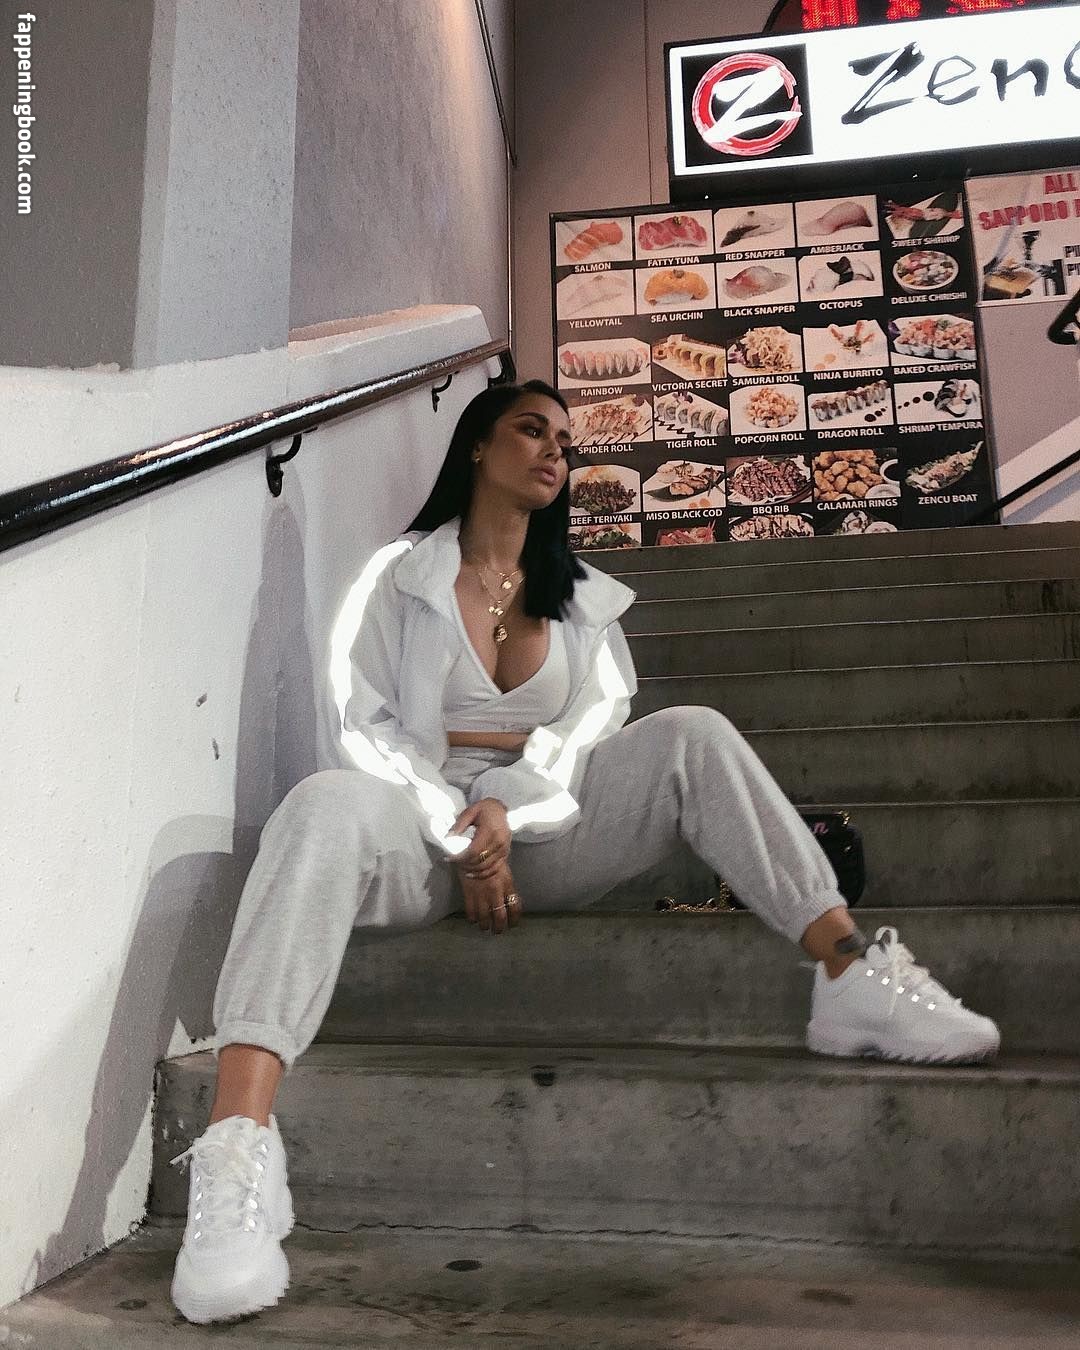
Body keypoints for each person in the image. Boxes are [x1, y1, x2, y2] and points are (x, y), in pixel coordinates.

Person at [169, 378, 1000, 1324]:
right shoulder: (398, 575)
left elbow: (585, 734)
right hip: (417, 833)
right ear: (477, 446)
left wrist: (506, 818)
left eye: (565, 439)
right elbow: (364, 724)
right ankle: (237, 1149)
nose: (555, 450)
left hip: (548, 835)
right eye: (531, 430)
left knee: (693, 733)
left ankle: (847, 972)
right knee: (320, 804)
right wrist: (457, 824)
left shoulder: (585, 599)